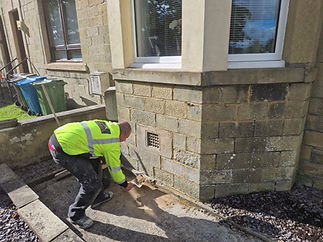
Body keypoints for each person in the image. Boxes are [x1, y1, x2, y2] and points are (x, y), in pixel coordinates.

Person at [48, 120, 133, 229]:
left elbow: (95, 144)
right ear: (122, 133)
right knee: (92, 184)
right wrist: (125, 184)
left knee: (96, 164)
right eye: (125, 137)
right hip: (63, 150)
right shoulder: (112, 142)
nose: (124, 140)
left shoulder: (109, 125)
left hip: (61, 137)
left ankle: (98, 197)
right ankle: (76, 216)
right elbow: (114, 169)